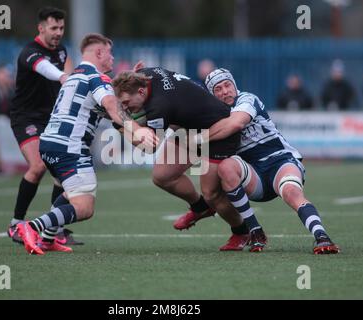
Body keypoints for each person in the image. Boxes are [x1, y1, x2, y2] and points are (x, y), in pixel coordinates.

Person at [16, 33, 158, 254]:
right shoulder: (96, 78)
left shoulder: (74, 76)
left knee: (67, 192)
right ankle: (31, 227)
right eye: (109, 53)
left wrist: (129, 75)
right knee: (84, 207)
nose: (112, 58)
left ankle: (47, 239)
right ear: (99, 53)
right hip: (70, 148)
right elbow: (112, 105)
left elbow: (107, 99)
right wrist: (138, 129)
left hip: (49, 144)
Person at [112, 68, 268, 252]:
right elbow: (133, 77)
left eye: (127, 103)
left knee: (212, 194)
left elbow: (148, 147)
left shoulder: (159, 107)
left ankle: (241, 231)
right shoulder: (145, 73)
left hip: (217, 131)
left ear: (140, 91)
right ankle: (200, 207)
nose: (125, 107)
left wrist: (119, 124)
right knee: (162, 176)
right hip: (190, 127)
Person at [189, 68, 339, 254]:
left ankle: (322, 237)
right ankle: (255, 230)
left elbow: (235, 123)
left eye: (227, 85)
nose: (225, 91)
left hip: (280, 161)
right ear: (212, 94)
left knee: (291, 192)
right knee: (226, 167)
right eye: (218, 89)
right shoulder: (212, 115)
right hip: (254, 175)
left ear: (234, 85)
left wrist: (197, 138)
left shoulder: (247, 99)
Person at [8, 7, 79, 245]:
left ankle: (53, 228)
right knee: (38, 166)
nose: (58, 32)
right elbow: (44, 69)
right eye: (53, 28)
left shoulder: (60, 51)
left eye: (61, 28)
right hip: (26, 118)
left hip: (50, 118)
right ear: (41, 28)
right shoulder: (30, 52)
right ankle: (16, 223)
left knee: (62, 172)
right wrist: (61, 76)